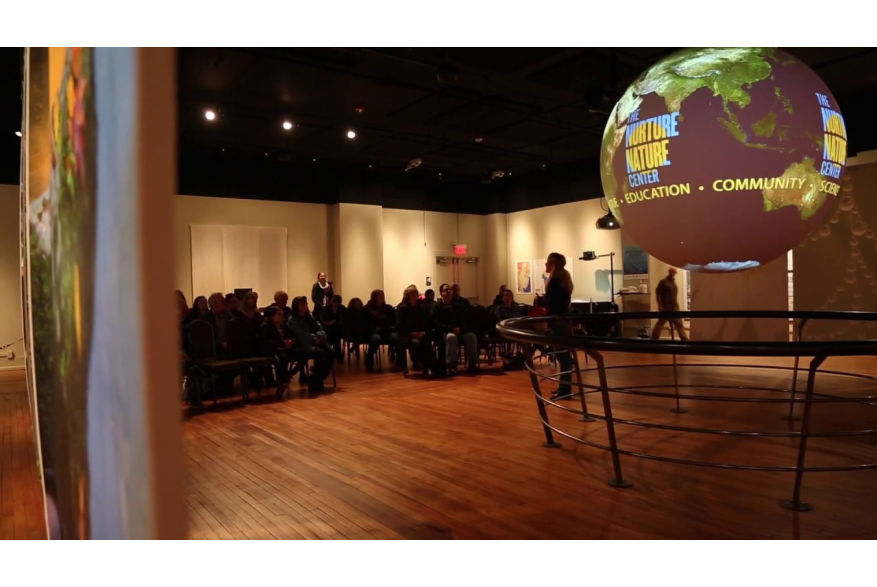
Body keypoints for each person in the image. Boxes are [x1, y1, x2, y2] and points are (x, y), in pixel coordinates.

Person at [288, 296, 335, 392]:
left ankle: (317, 377)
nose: (305, 306)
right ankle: (316, 380)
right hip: (303, 345)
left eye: (306, 304)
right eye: (302, 304)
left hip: (317, 341)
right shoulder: (293, 320)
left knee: (332, 353)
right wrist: (313, 338)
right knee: (320, 354)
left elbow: (319, 327)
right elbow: (300, 334)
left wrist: (320, 336)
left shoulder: (310, 317)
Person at [545, 253, 574, 401]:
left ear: (553, 264)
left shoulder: (555, 281)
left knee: (563, 357)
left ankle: (565, 389)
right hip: (564, 321)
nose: (545, 264)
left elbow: (553, 304)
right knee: (565, 357)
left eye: (548, 262)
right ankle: (564, 387)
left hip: (557, 322)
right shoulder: (565, 279)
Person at [431, 284, 479, 375]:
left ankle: (472, 364)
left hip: (459, 330)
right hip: (444, 332)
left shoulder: (458, 306)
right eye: (446, 290)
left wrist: (461, 328)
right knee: (451, 337)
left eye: (450, 289)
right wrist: (451, 329)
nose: (449, 291)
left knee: (471, 336)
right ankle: (452, 365)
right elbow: (435, 324)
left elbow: (465, 320)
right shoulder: (437, 307)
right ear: (441, 293)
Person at [397, 286, 434, 377]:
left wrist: (423, 332)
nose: (414, 296)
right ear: (407, 296)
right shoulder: (402, 308)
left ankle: (427, 366)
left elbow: (427, 322)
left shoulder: (421, 308)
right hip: (406, 334)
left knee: (427, 340)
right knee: (415, 343)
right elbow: (399, 325)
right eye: (412, 294)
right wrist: (412, 333)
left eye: (416, 294)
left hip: (420, 333)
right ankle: (415, 363)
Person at [259, 306, 293, 394]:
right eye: (279, 315)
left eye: (282, 314)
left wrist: (290, 341)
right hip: (271, 350)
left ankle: (288, 376)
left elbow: (289, 335)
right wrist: (282, 343)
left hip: (283, 348)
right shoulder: (266, 326)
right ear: (272, 316)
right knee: (282, 357)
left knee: (300, 354)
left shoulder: (283, 325)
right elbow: (265, 341)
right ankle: (282, 380)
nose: (282, 317)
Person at [652, 268, 689, 341]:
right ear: (668, 272)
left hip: (674, 307)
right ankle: (653, 341)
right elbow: (658, 294)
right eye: (671, 272)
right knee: (660, 325)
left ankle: (686, 341)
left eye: (673, 272)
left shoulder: (673, 283)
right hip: (665, 307)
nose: (672, 273)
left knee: (679, 325)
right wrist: (660, 305)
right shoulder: (663, 282)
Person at [365, 290, 397, 372]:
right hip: (373, 331)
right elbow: (365, 323)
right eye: (379, 296)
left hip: (387, 330)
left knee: (395, 338)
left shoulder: (388, 308)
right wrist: (374, 329)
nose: (382, 298)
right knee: (376, 339)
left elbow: (393, 321)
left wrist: (389, 327)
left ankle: (399, 361)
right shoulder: (367, 309)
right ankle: (369, 358)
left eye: (382, 296)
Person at [321, 295, 345, 361]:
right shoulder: (326, 309)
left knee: (336, 333)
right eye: (335, 303)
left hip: (338, 328)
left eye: (338, 303)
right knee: (335, 336)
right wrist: (330, 323)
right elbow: (322, 322)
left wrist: (341, 322)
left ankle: (334, 354)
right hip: (328, 328)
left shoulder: (342, 309)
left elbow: (346, 319)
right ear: (332, 302)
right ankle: (337, 355)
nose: (336, 305)